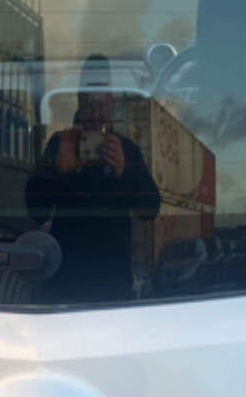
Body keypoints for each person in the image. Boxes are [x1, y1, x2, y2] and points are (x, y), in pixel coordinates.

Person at [25, 81, 160, 303]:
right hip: (65, 283)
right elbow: (35, 211)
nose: (96, 115)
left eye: (103, 106)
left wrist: (124, 172)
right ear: (80, 102)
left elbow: (150, 209)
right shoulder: (61, 144)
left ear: (112, 106)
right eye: (90, 106)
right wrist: (58, 172)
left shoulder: (126, 150)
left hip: (112, 284)